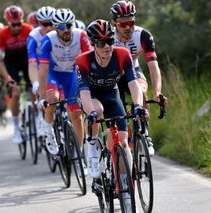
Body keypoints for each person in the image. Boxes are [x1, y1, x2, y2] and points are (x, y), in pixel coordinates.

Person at [76, 19, 145, 210]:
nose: (107, 46)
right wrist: (89, 113)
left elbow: (133, 84)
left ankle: (124, 185)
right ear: (92, 43)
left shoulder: (122, 54)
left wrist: (138, 105)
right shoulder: (83, 60)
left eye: (110, 40)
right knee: (97, 112)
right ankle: (91, 147)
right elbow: (84, 92)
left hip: (112, 94)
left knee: (122, 142)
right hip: (91, 96)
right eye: (100, 42)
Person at [110, 0, 167, 155]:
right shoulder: (107, 37)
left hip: (133, 71)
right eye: (122, 24)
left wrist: (157, 92)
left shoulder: (143, 35)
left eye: (131, 22)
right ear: (114, 23)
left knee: (141, 93)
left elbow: (153, 66)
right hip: (113, 76)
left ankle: (144, 133)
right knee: (115, 113)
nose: (128, 27)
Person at [38, 8, 91, 160]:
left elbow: (89, 61)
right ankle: (48, 129)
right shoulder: (48, 40)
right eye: (61, 27)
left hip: (71, 74)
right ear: (55, 28)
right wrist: (42, 97)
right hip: (53, 74)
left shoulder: (81, 35)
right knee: (52, 100)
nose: (66, 29)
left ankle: (79, 154)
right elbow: (43, 71)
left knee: (76, 114)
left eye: (68, 25)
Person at [0, 5, 33, 144]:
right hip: (11, 64)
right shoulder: (2, 34)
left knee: (34, 89)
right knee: (15, 93)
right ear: (7, 22)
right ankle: (16, 127)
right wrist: (8, 78)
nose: (16, 27)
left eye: (18, 24)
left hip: (27, 61)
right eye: (13, 24)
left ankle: (37, 118)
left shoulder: (29, 29)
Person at [26, 6, 55, 136]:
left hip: (56, 65)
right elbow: (32, 63)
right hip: (39, 66)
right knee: (41, 90)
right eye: (45, 24)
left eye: (51, 23)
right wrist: (36, 83)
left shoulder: (60, 33)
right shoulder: (33, 37)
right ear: (38, 23)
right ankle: (40, 117)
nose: (49, 27)